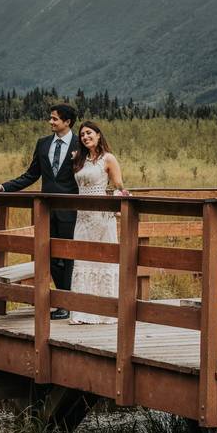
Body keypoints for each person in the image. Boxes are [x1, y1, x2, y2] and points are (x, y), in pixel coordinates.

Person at [0, 104, 80, 319]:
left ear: (67, 122)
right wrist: (4, 187)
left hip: (72, 211)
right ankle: (64, 302)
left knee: (69, 255)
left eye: (55, 119)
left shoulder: (79, 143)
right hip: (46, 211)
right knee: (50, 256)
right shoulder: (43, 144)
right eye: (51, 118)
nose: (50, 122)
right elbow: (31, 174)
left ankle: (67, 303)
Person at [68, 121, 128, 325]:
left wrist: (118, 207)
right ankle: (82, 311)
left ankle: (106, 311)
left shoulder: (108, 159)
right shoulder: (78, 159)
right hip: (83, 216)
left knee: (103, 258)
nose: (85, 137)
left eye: (89, 133)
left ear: (99, 135)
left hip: (102, 216)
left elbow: (119, 186)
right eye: (82, 134)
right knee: (83, 258)